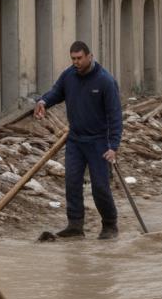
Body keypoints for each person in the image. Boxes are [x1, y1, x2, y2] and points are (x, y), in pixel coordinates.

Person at [34, 41, 124, 240]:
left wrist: (114, 146)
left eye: (79, 58)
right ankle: (75, 225)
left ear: (89, 56)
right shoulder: (69, 75)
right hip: (75, 140)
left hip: (100, 142)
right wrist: (43, 101)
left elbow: (115, 116)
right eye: (73, 59)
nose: (76, 62)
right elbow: (57, 92)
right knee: (72, 182)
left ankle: (110, 225)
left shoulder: (105, 81)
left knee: (100, 186)